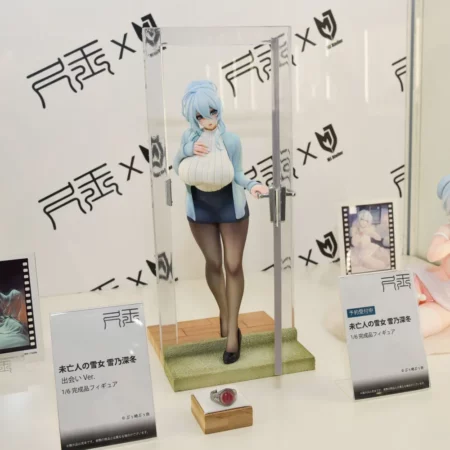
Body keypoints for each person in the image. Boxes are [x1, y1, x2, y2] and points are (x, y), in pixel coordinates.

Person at [173, 80, 268, 364]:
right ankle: (225, 314)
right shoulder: (188, 139)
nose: (208, 120)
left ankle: (232, 334)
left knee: (233, 265)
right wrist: (188, 150)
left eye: (212, 112)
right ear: (192, 117)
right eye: (200, 116)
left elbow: (237, 173)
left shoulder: (232, 140)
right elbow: (176, 166)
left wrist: (252, 185)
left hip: (230, 206)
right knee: (214, 263)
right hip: (200, 207)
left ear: (219, 110)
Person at [414, 174, 450, 337]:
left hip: (446, 301)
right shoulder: (446, 230)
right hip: (434, 281)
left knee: (421, 326)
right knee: (410, 284)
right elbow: (432, 255)